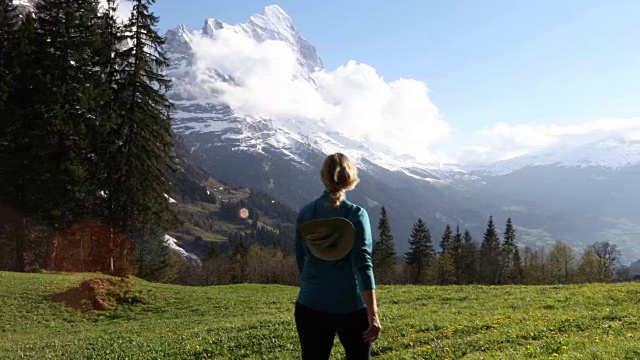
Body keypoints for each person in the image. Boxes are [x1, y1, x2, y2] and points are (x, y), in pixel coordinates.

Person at [294, 153, 381, 360]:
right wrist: (373, 313)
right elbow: (363, 264)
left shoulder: (306, 213)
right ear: (350, 178)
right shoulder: (356, 215)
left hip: (310, 304)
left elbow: (301, 258)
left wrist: (313, 286)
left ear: (323, 176)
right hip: (351, 307)